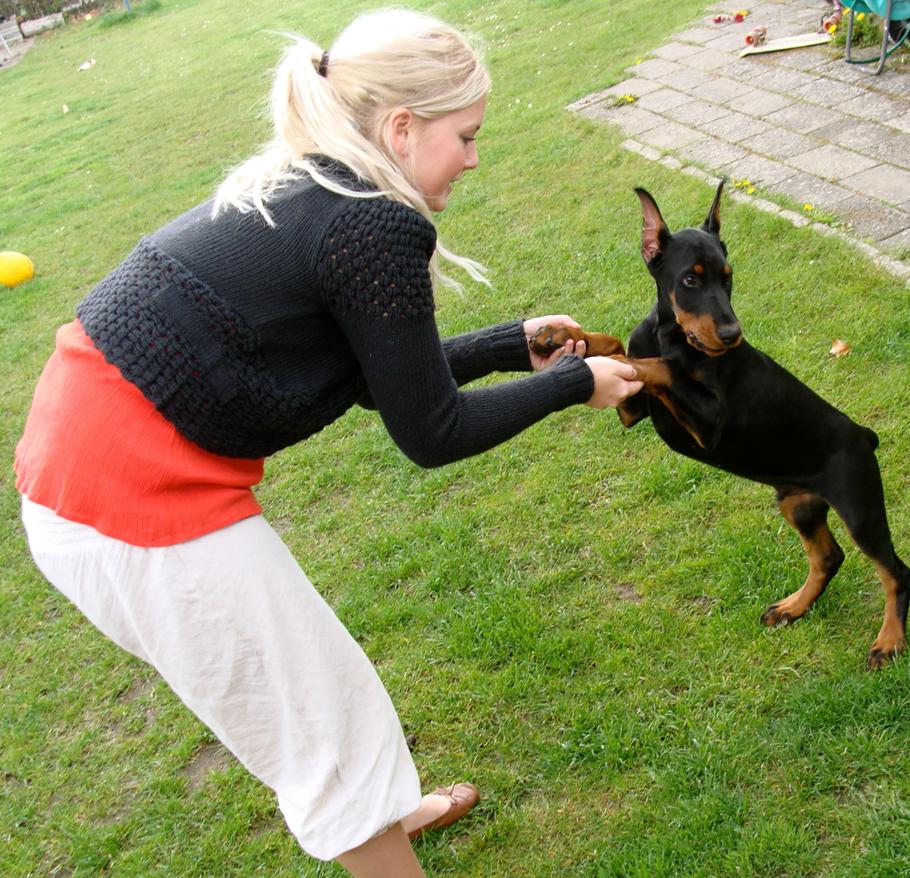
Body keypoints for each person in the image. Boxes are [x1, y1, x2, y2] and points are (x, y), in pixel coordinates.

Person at [13, 8, 642, 877]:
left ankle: (389, 816)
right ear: (402, 128)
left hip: (77, 476)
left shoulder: (324, 182)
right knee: (324, 724)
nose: (473, 157)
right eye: (466, 136)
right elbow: (430, 431)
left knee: (325, 703)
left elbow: (375, 378)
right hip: (127, 505)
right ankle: (376, 832)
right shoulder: (372, 222)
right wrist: (575, 384)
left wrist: (510, 345)